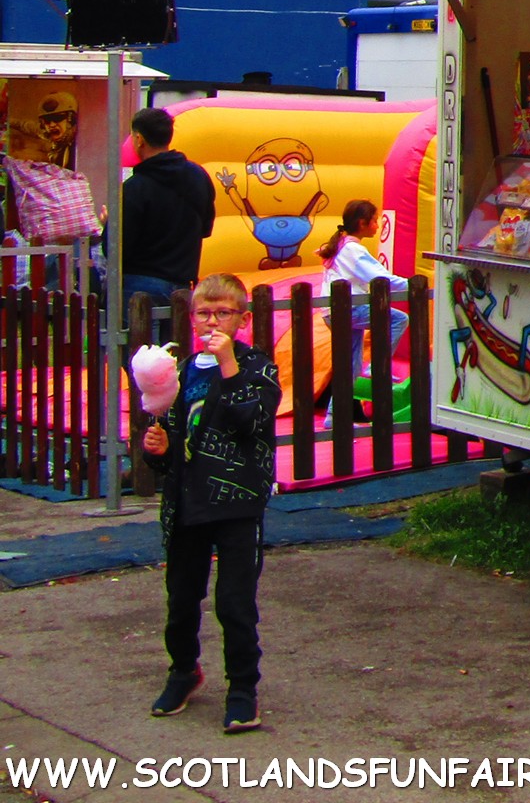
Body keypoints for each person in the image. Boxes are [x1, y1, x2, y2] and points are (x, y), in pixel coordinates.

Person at [140, 273, 281, 734]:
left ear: (242, 319)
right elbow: (177, 444)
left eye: (223, 313)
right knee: (182, 597)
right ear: (192, 317)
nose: (213, 321)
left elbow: (249, 421)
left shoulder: (258, 368)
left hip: (238, 503)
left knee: (235, 602)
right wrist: (156, 451)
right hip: (187, 503)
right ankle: (183, 671)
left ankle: (243, 689)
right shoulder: (179, 373)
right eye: (204, 313)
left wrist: (227, 365)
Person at [123, 108, 217, 308]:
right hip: (183, 284)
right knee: (176, 340)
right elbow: (205, 230)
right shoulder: (199, 176)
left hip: (140, 285)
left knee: (139, 340)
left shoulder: (134, 187)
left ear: (139, 139)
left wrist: (109, 223)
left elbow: (117, 247)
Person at [316, 200, 409, 397]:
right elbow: (381, 278)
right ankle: (377, 367)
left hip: (333, 311)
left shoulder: (341, 245)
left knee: (351, 365)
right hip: (348, 309)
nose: (377, 225)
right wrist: (415, 284)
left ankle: (334, 415)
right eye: (374, 221)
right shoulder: (353, 250)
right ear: (362, 223)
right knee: (399, 319)